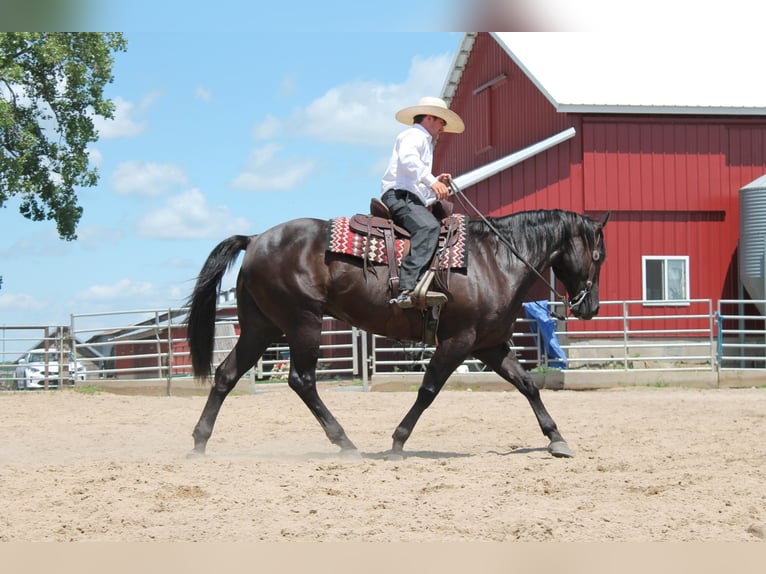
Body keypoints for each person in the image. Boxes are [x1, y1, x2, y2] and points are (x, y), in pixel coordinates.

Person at [380, 96, 465, 309]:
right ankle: (408, 287)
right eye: (442, 122)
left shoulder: (422, 140)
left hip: (407, 195)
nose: (443, 128)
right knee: (428, 227)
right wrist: (431, 181)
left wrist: (435, 182)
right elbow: (409, 162)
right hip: (399, 196)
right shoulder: (414, 135)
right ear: (430, 118)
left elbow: (414, 175)